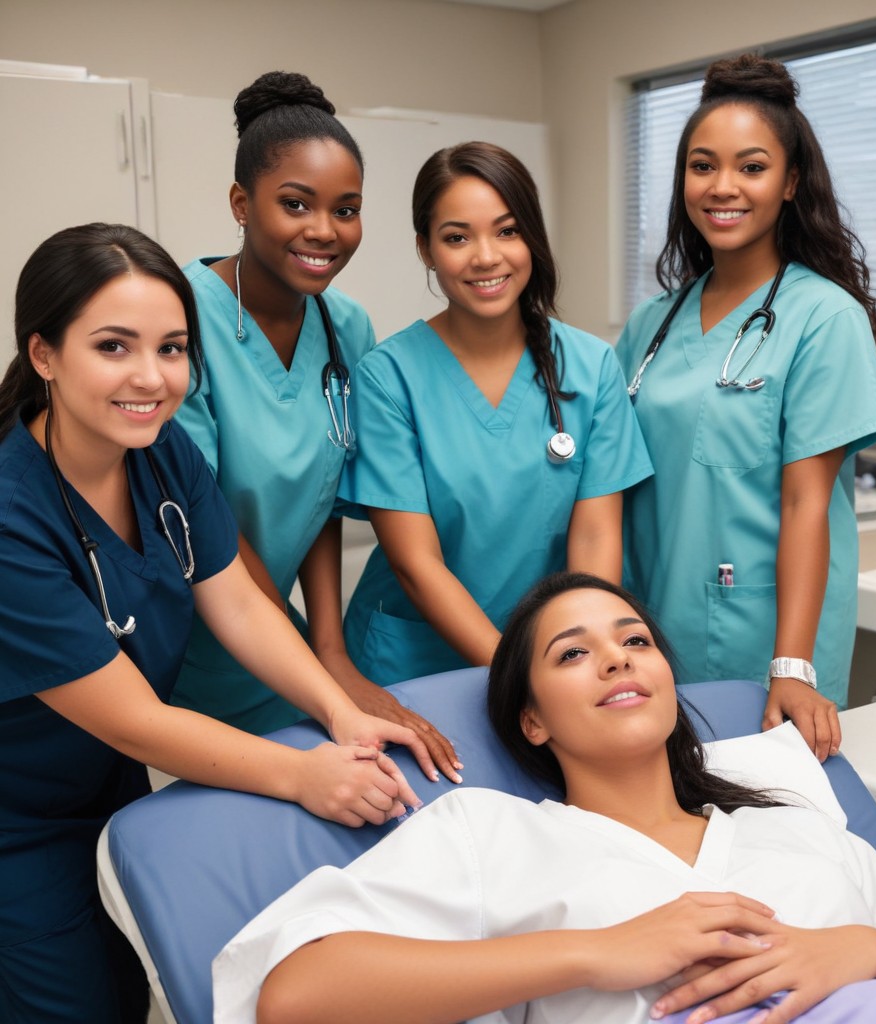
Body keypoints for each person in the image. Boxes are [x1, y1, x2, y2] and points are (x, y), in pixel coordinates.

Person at [213, 571, 876, 1024]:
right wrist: (600, 952)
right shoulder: (489, 832)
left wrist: (865, 953)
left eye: (635, 642)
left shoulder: (797, 828)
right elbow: (298, 996)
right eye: (573, 654)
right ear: (529, 719)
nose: (617, 662)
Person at [0, 223, 438, 1024]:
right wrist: (306, 774)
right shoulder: (11, 515)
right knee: (73, 1004)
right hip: (18, 818)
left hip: (114, 790)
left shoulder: (162, 456)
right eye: (113, 347)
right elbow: (136, 719)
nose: (152, 377)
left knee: (135, 983)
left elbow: (234, 600)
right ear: (44, 355)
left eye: (172, 349)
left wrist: (341, 708)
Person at [171, 71, 459, 779]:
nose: (324, 232)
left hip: (283, 649)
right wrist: (317, 672)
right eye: (295, 204)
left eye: (346, 209)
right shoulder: (178, 313)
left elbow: (324, 502)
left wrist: (328, 649)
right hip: (181, 652)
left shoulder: (345, 326)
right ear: (241, 203)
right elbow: (204, 518)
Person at [616, 54, 876, 761]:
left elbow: (809, 502)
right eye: (702, 166)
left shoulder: (824, 318)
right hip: (651, 630)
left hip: (770, 643)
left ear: (791, 181)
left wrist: (792, 667)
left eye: (751, 166)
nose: (723, 188)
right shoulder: (652, 323)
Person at [338, 141, 653, 685]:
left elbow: (596, 541)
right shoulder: (388, 376)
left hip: (556, 656)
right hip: (415, 662)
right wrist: (523, 680)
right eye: (457, 237)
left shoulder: (590, 365)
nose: (486, 256)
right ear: (426, 248)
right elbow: (417, 565)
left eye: (507, 231)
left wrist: (578, 658)